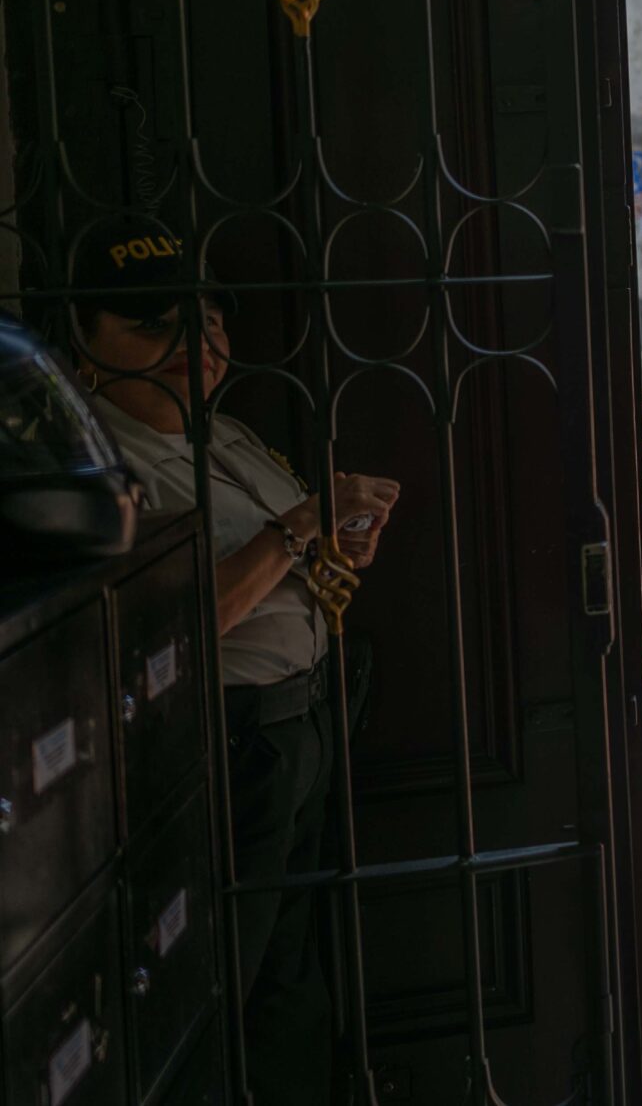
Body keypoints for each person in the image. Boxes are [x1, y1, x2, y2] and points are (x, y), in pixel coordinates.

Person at [69, 229, 399, 1106]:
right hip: (226, 741)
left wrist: (336, 539)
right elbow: (175, 622)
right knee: (225, 984)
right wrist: (295, 530)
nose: (195, 347)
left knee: (289, 972)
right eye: (156, 326)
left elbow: (286, 567)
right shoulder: (101, 463)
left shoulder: (229, 432)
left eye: (209, 321)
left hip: (305, 720)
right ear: (84, 344)